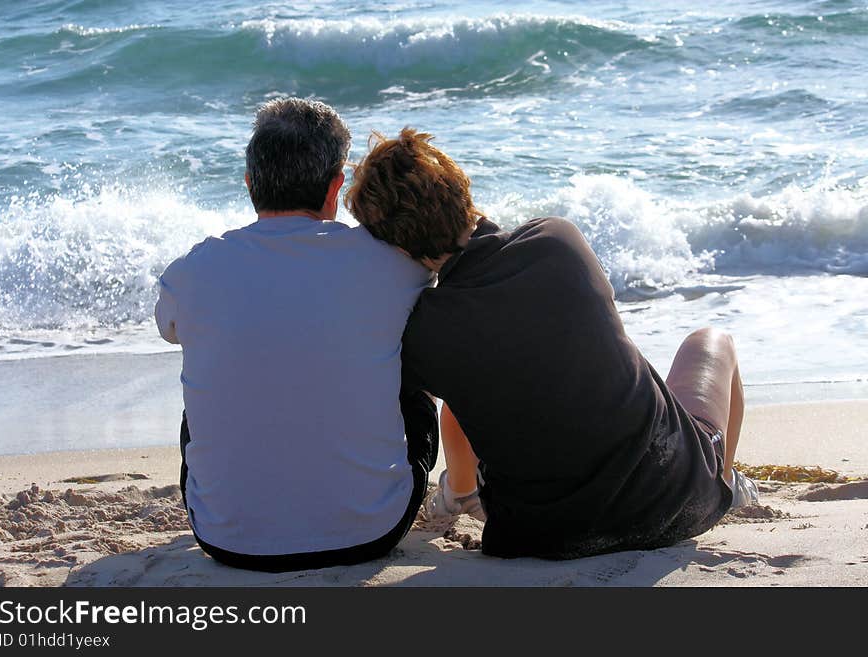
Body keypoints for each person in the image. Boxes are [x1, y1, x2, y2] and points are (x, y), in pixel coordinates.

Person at [344, 128, 759, 560]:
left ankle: (459, 494)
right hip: (674, 502)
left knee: (471, 386)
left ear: (394, 245)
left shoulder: (422, 333)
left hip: (538, 536)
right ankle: (723, 480)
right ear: (461, 190)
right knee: (712, 340)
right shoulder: (559, 240)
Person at [154, 101, 436, 572]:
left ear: (249, 183)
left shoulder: (192, 271)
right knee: (407, 371)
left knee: (213, 381)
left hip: (226, 538)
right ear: (336, 186)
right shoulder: (391, 264)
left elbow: (170, 330)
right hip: (370, 531)